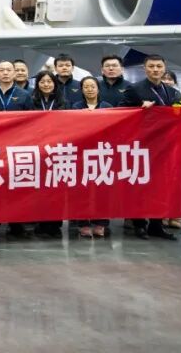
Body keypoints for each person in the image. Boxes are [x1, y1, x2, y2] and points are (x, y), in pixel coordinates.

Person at [122, 54, 181, 240]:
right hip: (142, 146)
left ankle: (156, 224)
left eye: (158, 66)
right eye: (151, 66)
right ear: (144, 68)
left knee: (161, 186)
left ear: (164, 67)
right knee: (140, 186)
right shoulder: (135, 89)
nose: (155, 70)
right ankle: (139, 225)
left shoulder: (172, 92)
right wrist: (139, 108)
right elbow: (121, 113)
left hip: (165, 147)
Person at [0, 60, 34, 240]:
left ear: (14, 73)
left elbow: (32, 121)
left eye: (8, 70)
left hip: (18, 146)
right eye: (1, 70)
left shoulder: (25, 95)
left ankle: (16, 223)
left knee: (16, 185)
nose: (5, 73)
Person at [73, 76, 112, 239]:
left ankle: (100, 223)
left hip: (102, 153)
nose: (90, 89)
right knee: (82, 190)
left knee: (102, 189)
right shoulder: (76, 107)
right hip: (82, 154)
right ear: (82, 90)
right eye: (86, 87)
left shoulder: (107, 107)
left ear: (98, 88)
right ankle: (83, 223)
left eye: (92, 86)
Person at [30, 70, 68, 238]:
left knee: (56, 189)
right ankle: (40, 222)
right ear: (37, 84)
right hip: (37, 150)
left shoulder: (63, 102)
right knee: (39, 189)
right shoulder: (31, 101)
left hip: (57, 150)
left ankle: (55, 224)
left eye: (49, 81)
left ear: (55, 84)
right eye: (42, 81)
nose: (46, 84)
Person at [161, 70, 181, 231]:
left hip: (178, 150)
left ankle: (175, 215)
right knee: (161, 182)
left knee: (178, 182)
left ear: (174, 82)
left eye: (170, 79)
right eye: (164, 78)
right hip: (160, 150)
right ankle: (162, 214)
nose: (167, 81)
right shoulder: (156, 101)